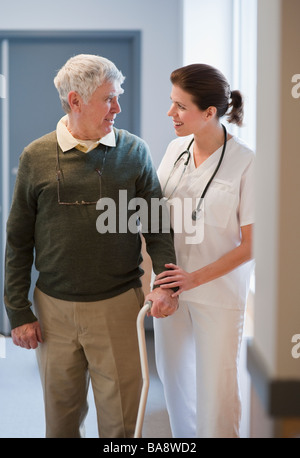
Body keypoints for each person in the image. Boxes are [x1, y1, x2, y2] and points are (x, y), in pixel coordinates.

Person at [4, 54, 178, 438]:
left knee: (120, 425)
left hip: (118, 305)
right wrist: (18, 310)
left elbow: (158, 229)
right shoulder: (35, 157)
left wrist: (166, 285)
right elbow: (18, 238)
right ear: (76, 101)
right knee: (61, 422)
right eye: (109, 98)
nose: (117, 107)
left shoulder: (134, 152)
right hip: (53, 312)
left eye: (118, 97)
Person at [153, 64, 255, 438]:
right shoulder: (174, 150)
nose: (170, 113)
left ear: (209, 112)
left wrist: (193, 278)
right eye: (171, 103)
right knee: (176, 386)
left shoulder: (246, 162)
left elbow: (252, 244)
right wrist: (163, 283)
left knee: (217, 394)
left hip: (216, 293)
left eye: (180, 106)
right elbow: (156, 217)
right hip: (170, 289)